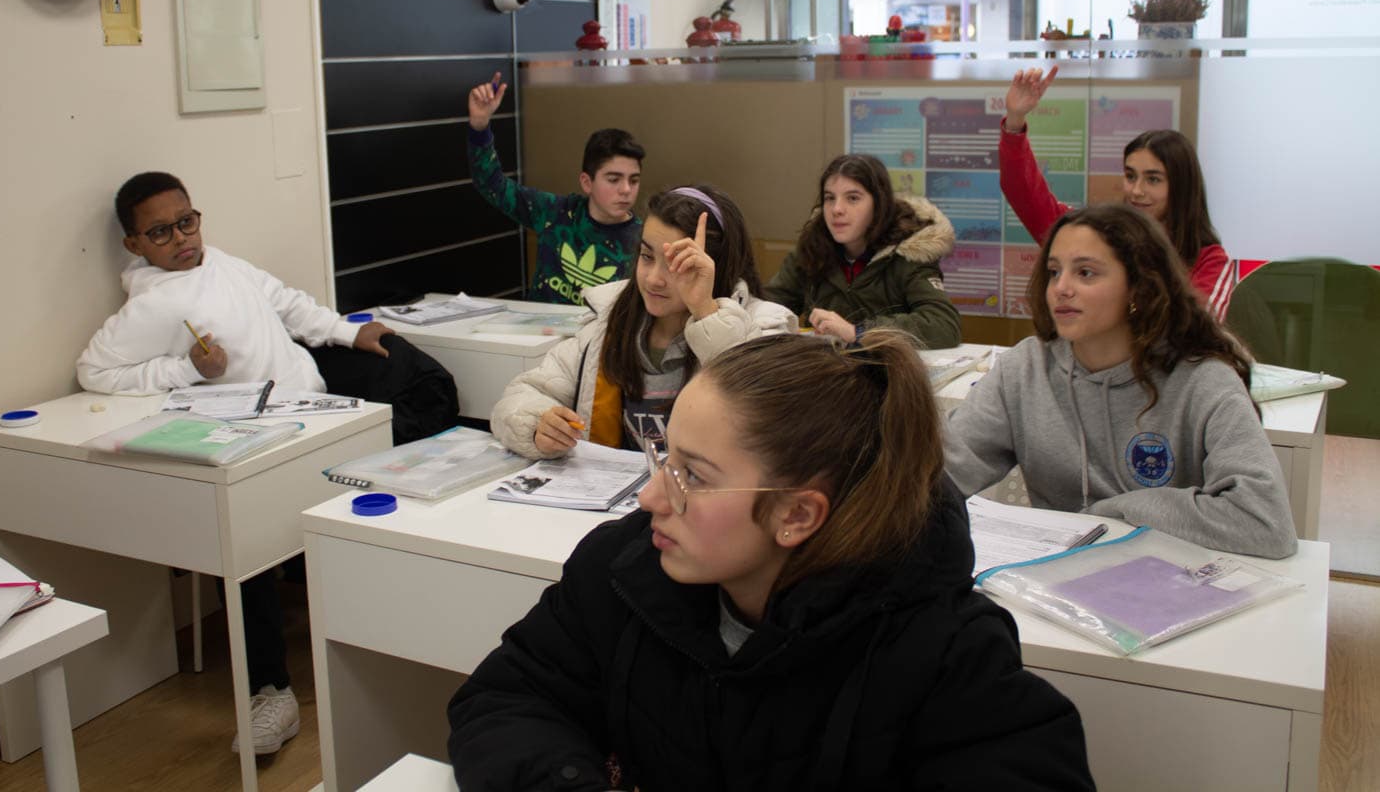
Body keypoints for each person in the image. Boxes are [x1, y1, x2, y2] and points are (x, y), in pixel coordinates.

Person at [449, 331, 1095, 791]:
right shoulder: (625, 568)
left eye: (693, 477)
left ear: (797, 515)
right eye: (664, 459)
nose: (651, 497)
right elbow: (506, 699)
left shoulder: (943, 651)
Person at [76, 171, 458, 756]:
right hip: (262, 434)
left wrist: (348, 332)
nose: (181, 238)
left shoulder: (222, 262)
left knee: (423, 377)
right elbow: (95, 373)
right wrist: (185, 371)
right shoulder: (151, 305)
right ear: (135, 245)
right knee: (251, 536)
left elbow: (289, 305)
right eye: (161, 232)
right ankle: (270, 692)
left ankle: (395, 562)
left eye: (188, 221)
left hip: (317, 401)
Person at [944, 204, 1297, 559]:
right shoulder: (1023, 369)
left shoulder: (1203, 379)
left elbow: (1266, 523)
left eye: (1085, 273)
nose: (1061, 288)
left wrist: (1117, 511)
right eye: (1054, 272)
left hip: (1167, 582)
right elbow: (941, 476)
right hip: (1051, 580)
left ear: (1138, 289)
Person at [491, 185, 795, 457]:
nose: (653, 279)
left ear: (713, 267)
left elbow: (772, 423)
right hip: (617, 500)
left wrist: (705, 309)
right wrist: (536, 423)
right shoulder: (609, 321)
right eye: (647, 257)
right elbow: (520, 396)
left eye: (677, 265)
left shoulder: (764, 324)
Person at [1000, 64, 1235, 319]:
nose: (1136, 190)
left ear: (1182, 187)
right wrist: (1015, 121)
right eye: (1130, 176)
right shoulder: (1102, 234)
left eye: (1153, 179)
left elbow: (1196, 330)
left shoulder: (1209, 260)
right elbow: (1029, 198)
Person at [467, 73, 644, 305]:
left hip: (599, 338)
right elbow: (492, 184)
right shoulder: (555, 212)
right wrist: (480, 126)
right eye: (613, 179)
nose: (626, 190)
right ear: (586, 182)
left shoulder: (644, 239)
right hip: (537, 332)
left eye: (634, 180)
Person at [765, 153, 961, 348]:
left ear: (878, 204)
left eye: (852, 198)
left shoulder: (909, 253)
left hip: (888, 370)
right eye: (830, 198)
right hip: (823, 369)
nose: (837, 209)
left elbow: (943, 325)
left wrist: (859, 332)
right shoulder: (811, 250)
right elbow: (768, 307)